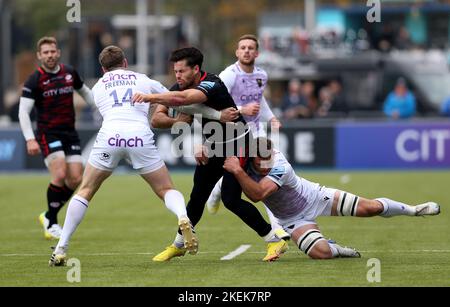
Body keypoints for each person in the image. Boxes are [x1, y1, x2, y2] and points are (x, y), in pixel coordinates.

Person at [48, 46, 238, 266]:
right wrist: (215, 115)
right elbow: (177, 100)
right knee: (165, 189)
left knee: (86, 190)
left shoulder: (99, 86)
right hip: (139, 135)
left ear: (102, 69)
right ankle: (182, 217)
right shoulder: (143, 80)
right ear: (126, 63)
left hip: (110, 135)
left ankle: (61, 247)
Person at [134, 47, 288, 262]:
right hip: (213, 146)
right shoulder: (178, 86)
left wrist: (149, 97)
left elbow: (184, 99)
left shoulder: (212, 83)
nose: (177, 76)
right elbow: (156, 120)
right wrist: (179, 122)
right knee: (197, 196)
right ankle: (179, 245)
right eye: (175, 71)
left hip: (238, 145)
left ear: (196, 69)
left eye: (181, 71)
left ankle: (274, 240)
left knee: (231, 200)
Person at [223, 137, 441, 260]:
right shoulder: (246, 164)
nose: (265, 165)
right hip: (292, 220)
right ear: (252, 158)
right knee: (322, 253)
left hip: (316, 197)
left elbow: (258, 194)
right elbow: (241, 192)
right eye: (260, 162)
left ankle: (413, 209)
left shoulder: (280, 164)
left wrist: (238, 173)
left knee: (370, 208)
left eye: (267, 160)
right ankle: (337, 248)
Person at [202, 34, 287, 240]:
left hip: (257, 133)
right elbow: (216, 103)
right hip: (235, 133)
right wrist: (242, 109)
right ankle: (216, 192)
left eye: (251, 48)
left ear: (256, 53)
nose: (247, 51)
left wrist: (272, 118)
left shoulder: (261, 75)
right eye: (243, 47)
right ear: (237, 52)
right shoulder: (229, 75)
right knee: (245, 174)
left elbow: (260, 102)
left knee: (264, 175)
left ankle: (278, 228)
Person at [18, 36, 95, 240]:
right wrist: (29, 139)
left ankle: (48, 215)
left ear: (58, 52)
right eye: (46, 52)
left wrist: (104, 110)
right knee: (60, 174)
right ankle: (52, 222)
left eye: (53, 51)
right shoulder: (34, 79)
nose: (50, 55)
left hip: (70, 132)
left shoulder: (69, 73)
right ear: (39, 56)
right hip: (47, 133)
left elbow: (86, 93)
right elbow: (23, 112)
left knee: (76, 178)